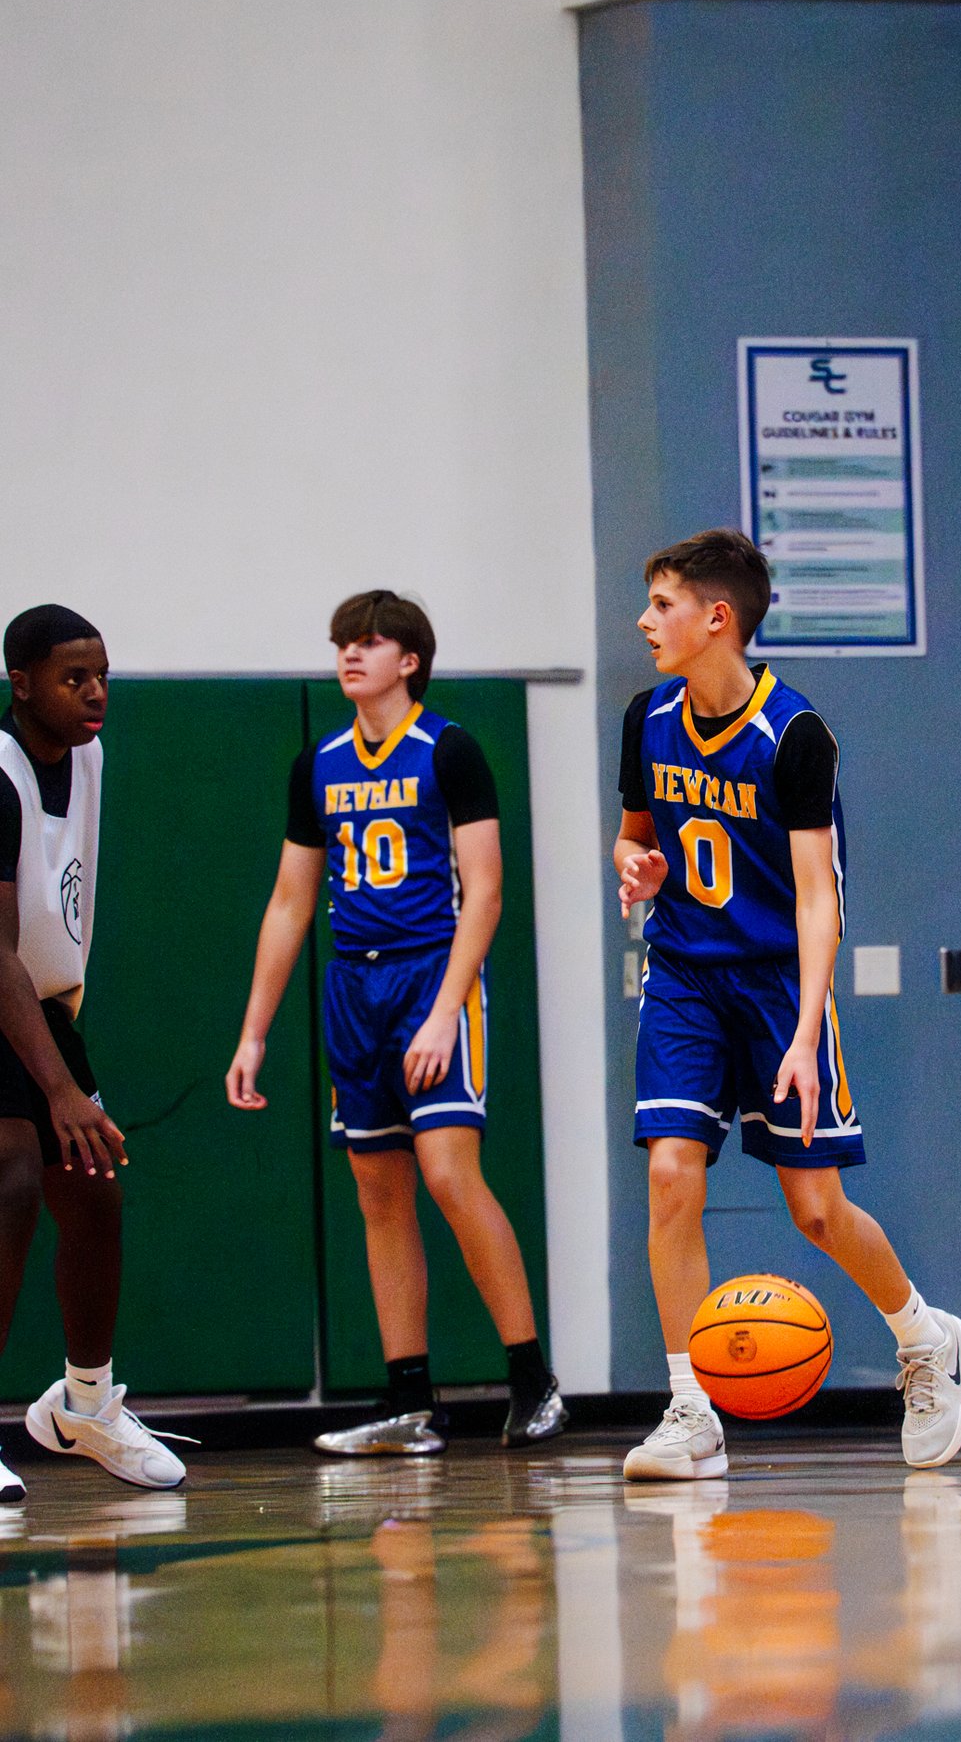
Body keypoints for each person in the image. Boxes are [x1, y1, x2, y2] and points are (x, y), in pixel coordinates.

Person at [613, 530, 961, 1481]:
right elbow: (634, 837)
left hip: (777, 983)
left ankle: (923, 1341)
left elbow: (820, 897)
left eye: (661, 604)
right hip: (685, 974)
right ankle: (691, 1411)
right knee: (671, 1177)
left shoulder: (795, 735)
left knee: (815, 1208)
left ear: (715, 618)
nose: (645, 621)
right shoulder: (646, 718)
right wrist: (637, 867)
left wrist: (808, 1031)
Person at [226, 590, 564, 1454]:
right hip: (354, 986)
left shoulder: (448, 749)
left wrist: (446, 1011)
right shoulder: (318, 763)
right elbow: (290, 903)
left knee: (449, 1174)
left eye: (368, 641)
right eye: (342, 641)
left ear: (409, 660)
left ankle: (533, 1382)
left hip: (433, 974)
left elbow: (484, 891)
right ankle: (411, 1402)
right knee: (378, 1195)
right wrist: (254, 1031)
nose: (349, 653)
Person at [0, 605, 188, 1495]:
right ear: (21, 683)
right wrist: (60, 1092)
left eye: (102, 675)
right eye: (73, 678)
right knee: (12, 1180)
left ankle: (83, 1405)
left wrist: (63, 1075)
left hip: (38, 1004)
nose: (96, 692)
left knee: (94, 1192)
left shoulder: (87, 758)